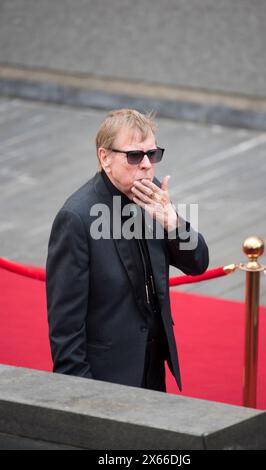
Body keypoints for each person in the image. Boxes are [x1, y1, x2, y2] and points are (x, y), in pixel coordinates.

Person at [46, 109, 209, 392]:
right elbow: (65, 328)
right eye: (134, 156)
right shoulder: (76, 218)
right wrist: (83, 395)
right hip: (107, 375)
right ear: (105, 158)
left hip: (153, 365)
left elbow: (198, 263)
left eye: (152, 154)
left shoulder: (152, 194)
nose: (146, 164)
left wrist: (173, 223)